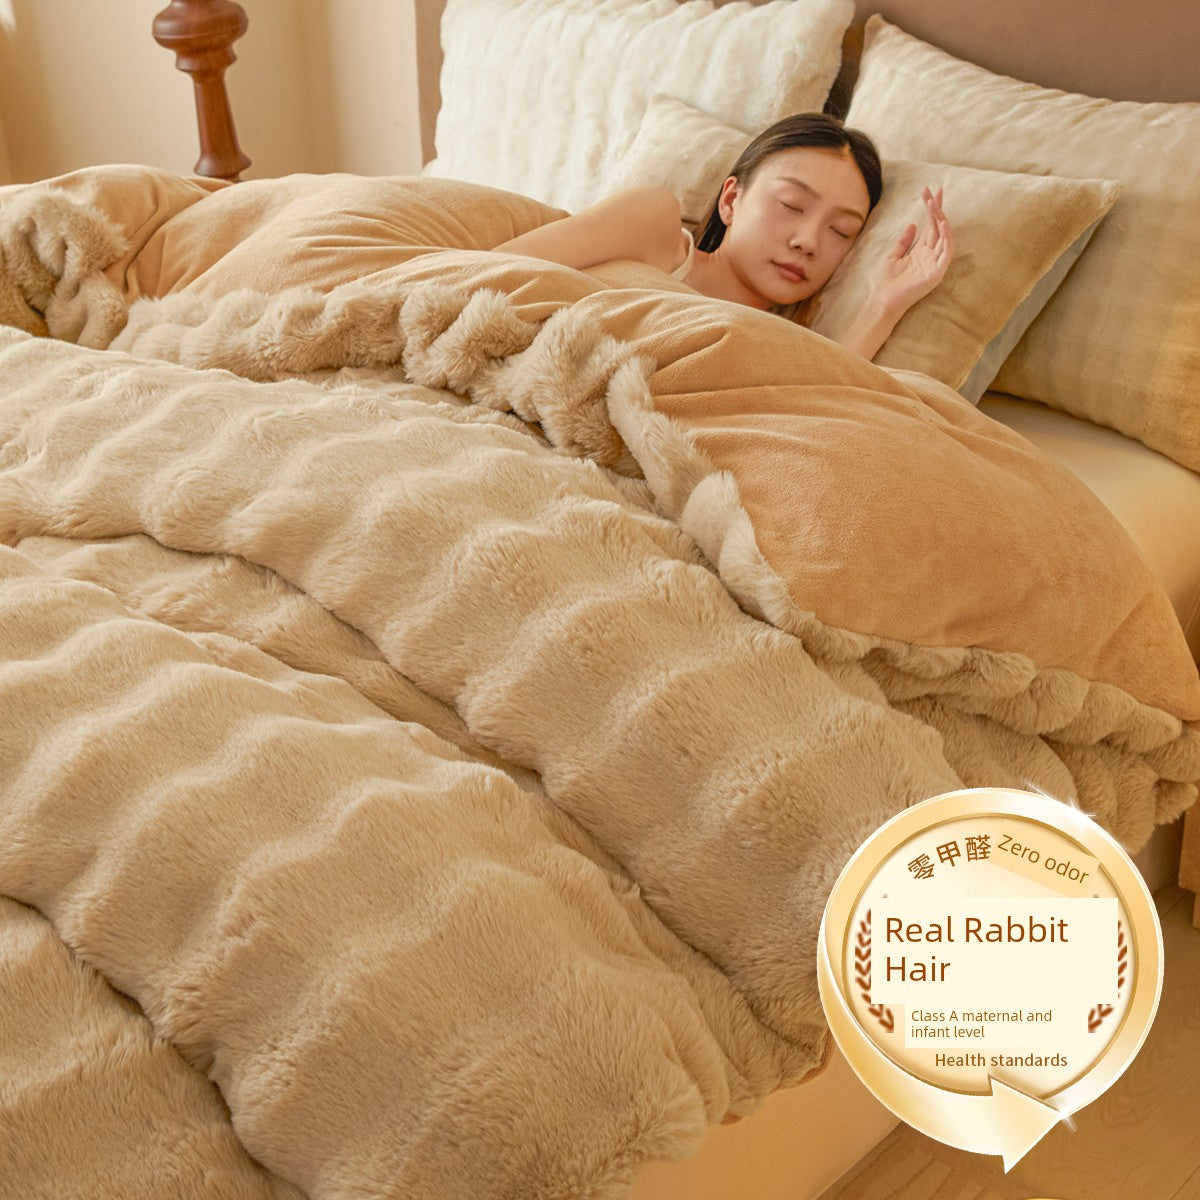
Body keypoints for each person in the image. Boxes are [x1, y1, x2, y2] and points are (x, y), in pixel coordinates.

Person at [491, 113, 954, 362]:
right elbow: (488, 272)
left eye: (841, 231)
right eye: (792, 205)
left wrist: (883, 305)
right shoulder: (656, 228)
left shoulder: (786, 350)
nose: (809, 241)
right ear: (731, 200)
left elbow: (814, 417)